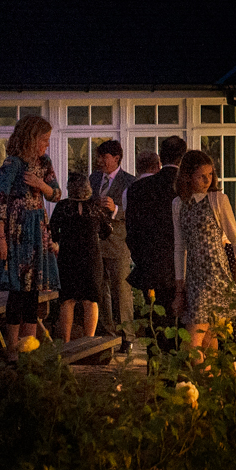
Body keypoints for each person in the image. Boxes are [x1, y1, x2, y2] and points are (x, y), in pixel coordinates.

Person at [171, 148, 236, 353]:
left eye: (210, 175)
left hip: (215, 276)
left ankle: (193, 384)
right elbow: (179, 247)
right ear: (187, 176)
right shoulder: (178, 204)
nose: (207, 180)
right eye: (201, 176)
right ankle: (208, 384)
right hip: (193, 279)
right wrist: (179, 288)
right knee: (208, 342)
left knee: (192, 344)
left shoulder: (218, 200)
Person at [0, 113, 59, 352]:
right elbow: (0, 199)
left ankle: (29, 349)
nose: (46, 145)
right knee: (17, 293)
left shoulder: (44, 162)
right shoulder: (13, 163)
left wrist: (41, 185)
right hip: (17, 232)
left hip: (37, 230)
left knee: (33, 294)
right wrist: (0, 238)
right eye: (44, 139)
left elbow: (57, 194)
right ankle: (12, 350)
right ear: (31, 138)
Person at [124, 135, 185, 342]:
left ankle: (157, 368)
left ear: (161, 157)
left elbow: (131, 230)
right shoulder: (187, 187)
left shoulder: (138, 188)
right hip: (185, 264)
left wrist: (141, 259)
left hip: (152, 264)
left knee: (157, 322)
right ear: (182, 158)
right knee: (184, 323)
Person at [48, 172, 108, 342]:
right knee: (91, 300)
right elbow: (106, 231)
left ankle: (66, 342)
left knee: (67, 300)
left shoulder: (63, 207)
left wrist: (59, 242)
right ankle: (89, 341)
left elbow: (52, 230)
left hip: (68, 256)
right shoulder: (95, 207)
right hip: (91, 257)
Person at [88, 139, 134, 335]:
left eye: (104, 157)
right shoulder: (93, 179)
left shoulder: (130, 182)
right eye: (99, 156)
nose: (100, 161)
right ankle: (107, 333)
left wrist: (115, 209)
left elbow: (134, 212)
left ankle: (127, 336)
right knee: (99, 289)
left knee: (121, 291)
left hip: (118, 243)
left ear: (116, 158)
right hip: (95, 243)